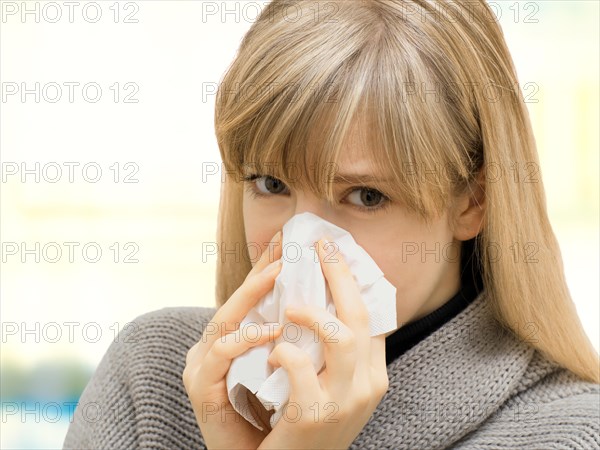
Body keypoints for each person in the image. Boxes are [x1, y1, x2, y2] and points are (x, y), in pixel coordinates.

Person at [63, 1, 600, 448]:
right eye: (272, 184)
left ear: (472, 201)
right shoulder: (153, 380)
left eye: (366, 196)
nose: (302, 244)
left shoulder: (567, 433)